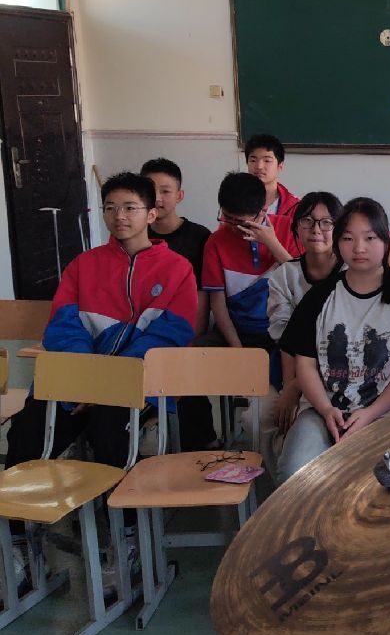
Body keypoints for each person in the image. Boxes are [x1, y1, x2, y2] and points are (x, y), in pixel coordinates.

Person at [4, 172, 197, 469]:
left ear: (151, 214)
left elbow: (170, 336)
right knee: (27, 432)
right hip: (76, 377)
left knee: (108, 430)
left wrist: (107, 383)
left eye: (130, 207)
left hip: (138, 382)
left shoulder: (178, 270)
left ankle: (120, 500)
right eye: (110, 207)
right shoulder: (83, 265)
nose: (119, 216)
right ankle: (27, 501)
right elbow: (63, 328)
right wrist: (88, 380)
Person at [277, 198, 390, 481]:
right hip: (324, 411)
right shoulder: (319, 297)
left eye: (370, 238)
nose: (359, 248)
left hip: (389, 412)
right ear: (337, 243)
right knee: (294, 474)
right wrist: (326, 409)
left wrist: (370, 413)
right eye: (348, 238)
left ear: (386, 239)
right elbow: (306, 365)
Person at [141, 157, 215, 448]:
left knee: (185, 370)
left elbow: (203, 295)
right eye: (151, 190)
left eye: (166, 191)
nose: (157, 198)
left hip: (184, 331)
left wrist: (191, 338)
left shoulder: (199, 237)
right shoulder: (133, 235)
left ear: (180, 196)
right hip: (141, 333)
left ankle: (202, 443)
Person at [266, 191, 343, 458]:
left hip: (339, 369)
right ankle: (283, 479)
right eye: (307, 221)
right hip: (289, 366)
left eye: (326, 222)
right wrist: (290, 387)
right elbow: (286, 336)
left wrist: (297, 386)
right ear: (296, 227)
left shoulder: (350, 274)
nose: (316, 229)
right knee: (263, 418)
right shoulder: (284, 275)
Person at [202, 172, 287, 355]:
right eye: (227, 218)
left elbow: (301, 280)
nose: (233, 227)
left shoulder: (288, 229)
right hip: (235, 330)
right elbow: (218, 303)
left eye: (241, 222)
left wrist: (272, 244)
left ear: (263, 210)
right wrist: (238, 350)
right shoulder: (215, 242)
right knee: (201, 353)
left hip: (281, 329)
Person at [245, 132, 301, 259]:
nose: (259, 166)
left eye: (267, 160)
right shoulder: (235, 202)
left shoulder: (296, 207)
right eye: (253, 160)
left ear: (280, 166)